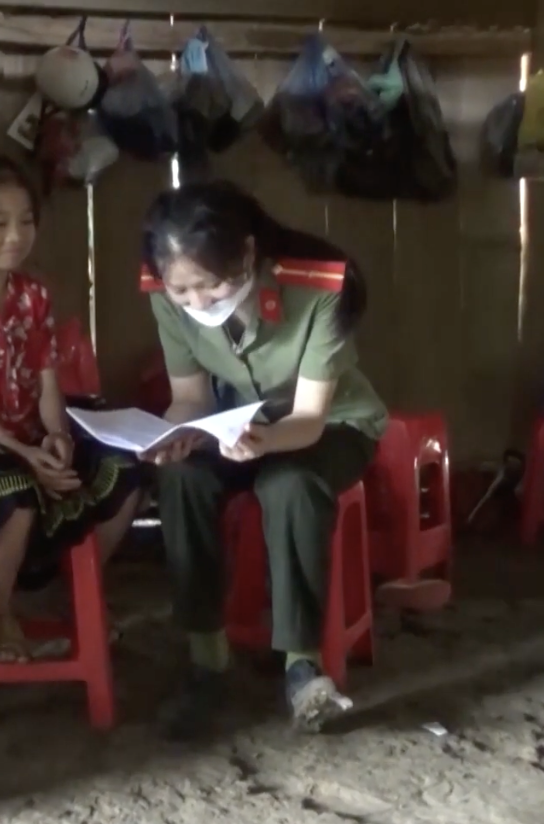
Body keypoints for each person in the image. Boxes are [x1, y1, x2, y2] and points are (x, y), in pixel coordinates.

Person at [138, 180, 389, 737]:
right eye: (183, 292)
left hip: (330, 425)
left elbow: (309, 418)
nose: (198, 303)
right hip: (234, 424)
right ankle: (207, 659)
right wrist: (175, 435)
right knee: (180, 477)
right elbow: (191, 399)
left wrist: (262, 443)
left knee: (289, 482)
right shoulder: (164, 292)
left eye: (212, 284)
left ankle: (303, 669)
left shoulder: (319, 287)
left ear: (247, 253)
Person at [0, 155, 147, 663]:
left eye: (25, 221)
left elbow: (47, 380)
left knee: (124, 471)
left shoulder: (33, 295)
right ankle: (0, 615)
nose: (15, 236)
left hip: (29, 434)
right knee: (10, 487)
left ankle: (75, 592)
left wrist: (56, 437)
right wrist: (21, 451)